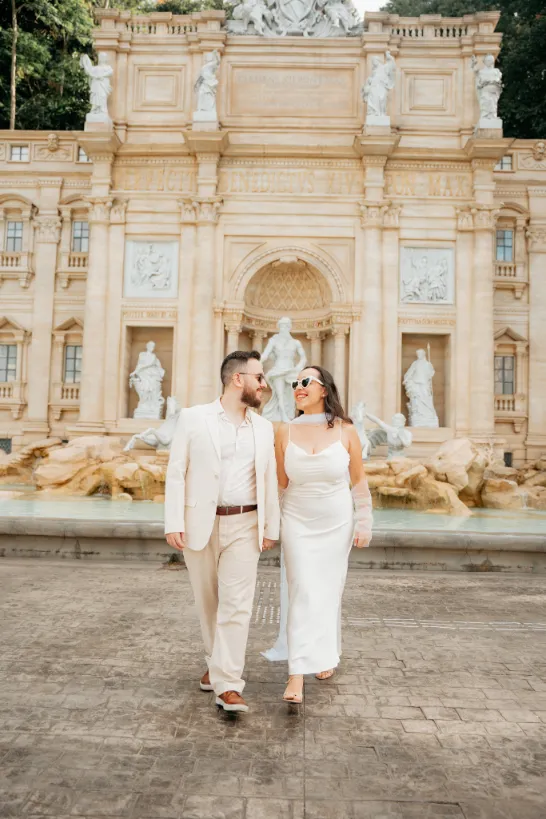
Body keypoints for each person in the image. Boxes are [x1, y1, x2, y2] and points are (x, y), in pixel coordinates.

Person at [164, 351, 280, 713]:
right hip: (201, 523)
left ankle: (228, 683)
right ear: (237, 379)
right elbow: (175, 471)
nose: (264, 385)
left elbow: (269, 480)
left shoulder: (264, 427)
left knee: (237, 606)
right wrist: (174, 521)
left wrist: (270, 526)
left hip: (246, 523)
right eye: (259, 377)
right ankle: (216, 665)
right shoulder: (193, 418)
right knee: (209, 603)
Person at [273, 365, 373, 703]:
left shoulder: (346, 431)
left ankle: (325, 652)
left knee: (328, 590)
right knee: (301, 588)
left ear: (324, 389)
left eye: (306, 382)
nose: (298, 387)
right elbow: (281, 487)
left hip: (336, 520)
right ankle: (296, 673)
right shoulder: (284, 431)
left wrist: (365, 522)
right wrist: (271, 525)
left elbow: (358, 481)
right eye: (295, 383)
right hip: (297, 519)